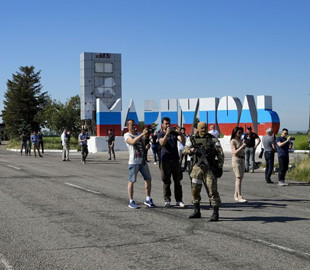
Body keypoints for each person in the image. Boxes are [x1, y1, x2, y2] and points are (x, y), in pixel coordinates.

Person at [183, 122, 224, 221]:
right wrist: (192, 150)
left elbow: (220, 153)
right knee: (195, 190)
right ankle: (196, 211)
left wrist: (219, 166)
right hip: (197, 168)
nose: (203, 129)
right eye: (201, 128)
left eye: (205, 127)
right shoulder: (192, 139)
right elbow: (185, 150)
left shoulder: (213, 139)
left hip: (210, 169)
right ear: (197, 128)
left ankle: (215, 213)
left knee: (212, 190)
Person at [124, 119, 156, 209]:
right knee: (132, 181)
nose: (134, 126)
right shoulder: (127, 135)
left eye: (134, 124)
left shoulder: (139, 135)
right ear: (128, 126)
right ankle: (131, 200)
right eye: (131, 125)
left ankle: (148, 198)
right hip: (133, 162)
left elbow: (143, 147)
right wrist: (142, 134)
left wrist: (147, 146)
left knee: (148, 179)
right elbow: (132, 142)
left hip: (142, 161)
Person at [158, 117, 185, 207]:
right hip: (165, 160)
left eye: (169, 123)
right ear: (162, 125)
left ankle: (179, 200)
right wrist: (166, 134)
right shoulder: (161, 134)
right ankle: (167, 199)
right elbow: (162, 143)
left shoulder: (174, 133)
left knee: (177, 181)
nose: (168, 125)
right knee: (166, 181)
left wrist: (180, 133)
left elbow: (183, 141)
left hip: (175, 159)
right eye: (166, 124)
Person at [230, 127, 247, 203]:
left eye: (241, 132)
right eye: (239, 132)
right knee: (238, 177)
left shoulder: (241, 140)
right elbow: (234, 152)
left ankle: (236, 194)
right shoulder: (233, 141)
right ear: (235, 133)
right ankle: (239, 196)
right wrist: (242, 146)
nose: (240, 134)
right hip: (236, 159)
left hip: (242, 159)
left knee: (240, 178)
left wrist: (244, 144)